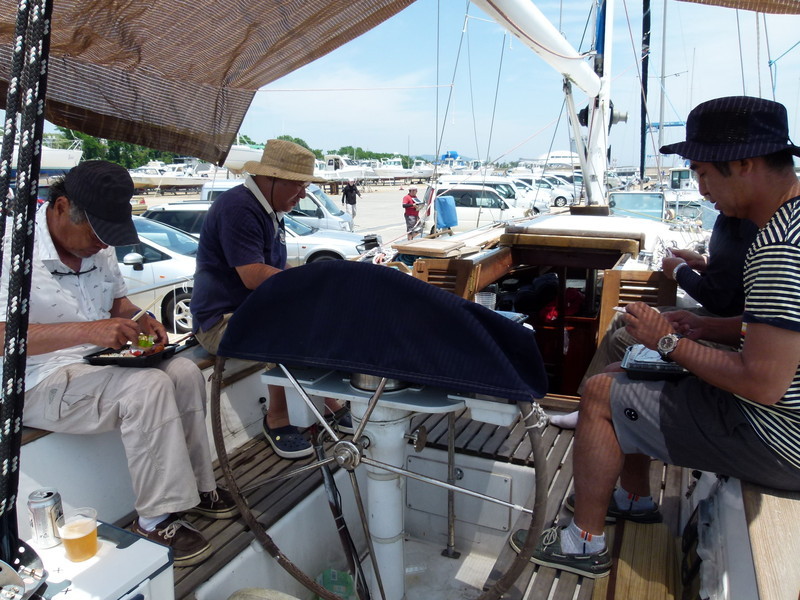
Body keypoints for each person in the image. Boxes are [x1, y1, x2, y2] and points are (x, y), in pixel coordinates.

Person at [511, 96, 800, 578]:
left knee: (600, 394)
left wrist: (668, 341)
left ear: (744, 164)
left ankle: (582, 545)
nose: (701, 189)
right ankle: (632, 498)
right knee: (625, 368)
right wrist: (706, 326)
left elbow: (762, 384)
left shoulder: (778, 247)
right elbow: (779, 331)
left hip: (778, 437)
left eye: (703, 172)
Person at [0, 160, 237, 567]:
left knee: (183, 371)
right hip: (39, 381)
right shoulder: (12, 250)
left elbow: (118, 305)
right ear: (60, 207)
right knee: (148, 387)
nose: (102, 244)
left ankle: (198, 488)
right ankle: (155, 520)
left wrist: (141, 320)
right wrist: (88, 331)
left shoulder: (100, 247)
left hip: (96, 368)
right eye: (96, 233)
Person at [191, 139, 351, 461]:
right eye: (299, 185)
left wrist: (316, 283)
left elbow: (276, 266)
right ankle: (276, 417)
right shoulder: (239, 208)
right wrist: (309, 285)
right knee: (285, 324)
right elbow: (252, 274)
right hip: (218, 323)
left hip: (250, 311)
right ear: (273, 178)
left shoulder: (268, 209)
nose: (303, 194)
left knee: (321, 314)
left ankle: (326, 402)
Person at [550, 212, 759, 429]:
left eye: (707, 183)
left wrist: (679, 272)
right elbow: (732, 276)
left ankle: (619, 413)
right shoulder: (731, 216)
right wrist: (704, 264)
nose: (704, 194)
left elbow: (718, 299)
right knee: (623, 317)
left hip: (730, 329)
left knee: (624, 337)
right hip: (718, 316)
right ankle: (589, 401)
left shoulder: (754, 226)